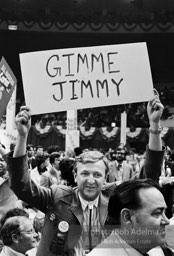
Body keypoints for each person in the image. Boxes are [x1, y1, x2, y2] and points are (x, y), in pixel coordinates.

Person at [6, 93, 165, 256]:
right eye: (85, 174)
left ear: (106, 177)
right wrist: (22, 136)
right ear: (75, 176)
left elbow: (148, 178)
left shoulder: (115, 196)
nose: (90, 180)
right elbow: (21, 186)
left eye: (97, 175)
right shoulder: (57, 197)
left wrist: (154, 125)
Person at [88, 178, 174, 256]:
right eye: (157, 213)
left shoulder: (159, 250)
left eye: (164, 212)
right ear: (127, 217)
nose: (167, 221)